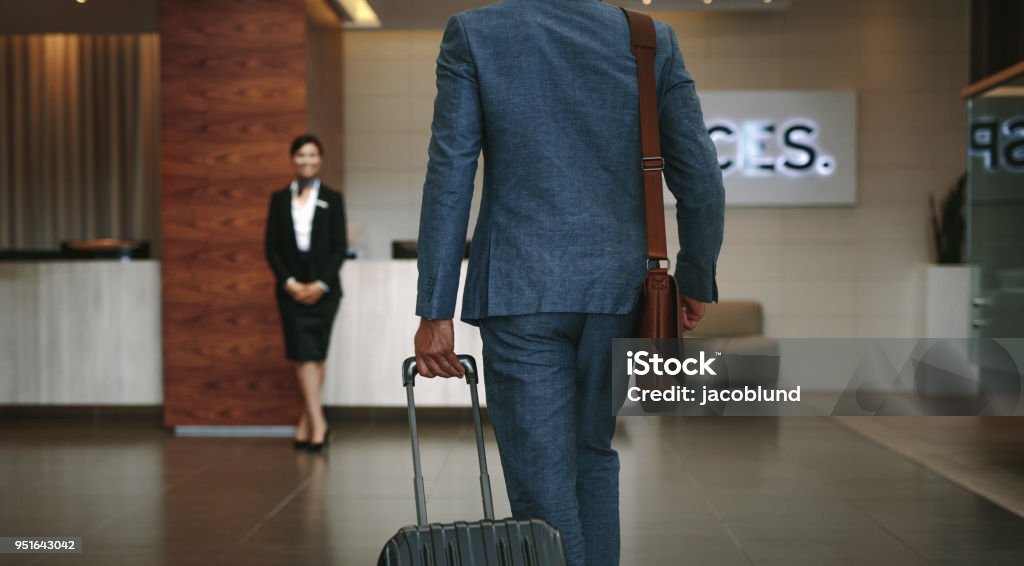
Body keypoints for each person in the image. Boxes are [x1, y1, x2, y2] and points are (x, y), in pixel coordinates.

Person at [413, 2, 724, 565]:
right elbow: (700, 175)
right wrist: (696, 277)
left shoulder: (476, 33)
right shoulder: (649, 38)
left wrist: (435, 310)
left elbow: (450, 172)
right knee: (593, 458)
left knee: (540, 486)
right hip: (619, 289)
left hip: (519, 287)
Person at [264, 134, 348, 453]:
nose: (307, 160)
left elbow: (339, 247)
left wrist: (320, 284)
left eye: (312, 155)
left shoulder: (333, 198)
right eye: (300, 155)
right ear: (292, 159)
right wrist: (290, 282)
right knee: (302, 355)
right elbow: (271, 247)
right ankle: (319, 423)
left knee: (317, 354)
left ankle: (306, 424)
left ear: (321, 159)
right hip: (290, 291)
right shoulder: (277, 199)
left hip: (325, 290)